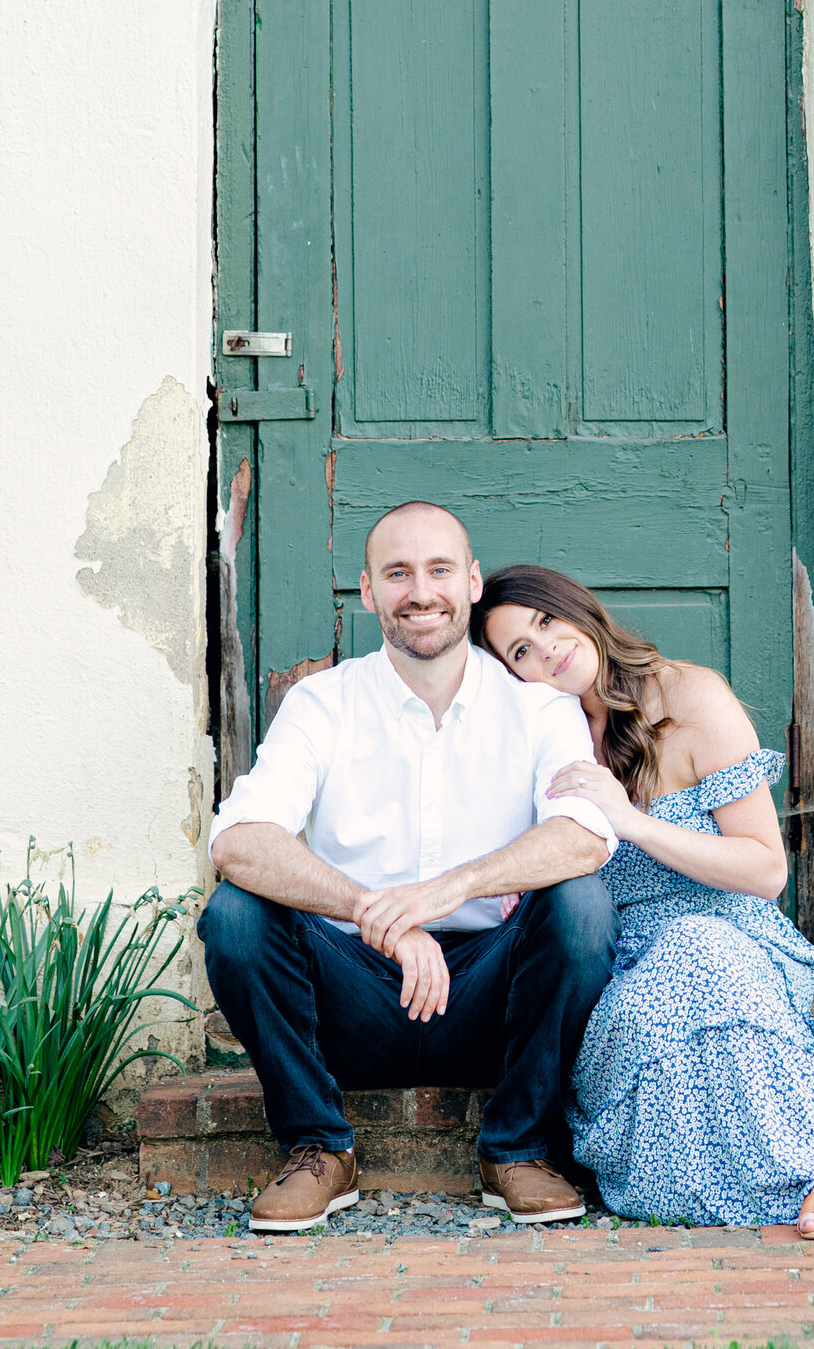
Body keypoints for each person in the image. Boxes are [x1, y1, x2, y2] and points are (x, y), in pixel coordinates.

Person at [472, 568, 814, 1239]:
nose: (546, 648)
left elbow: (765, 870)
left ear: (578, 611)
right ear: (512, 676)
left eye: (546, 622)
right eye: (520, 651)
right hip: (623, 972)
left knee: (700, 948)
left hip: (736, 942)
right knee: (673, 982)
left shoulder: (689, 697)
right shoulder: (545, 740)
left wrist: (634, 822)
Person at [200, 503, 617, 1234]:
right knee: (236, 914)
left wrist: (442, 892)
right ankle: (320, 1148)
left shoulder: (537, 708)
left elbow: (583, 834)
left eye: (438, 570)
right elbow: (239, 838)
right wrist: (380, 917)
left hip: (491, 996)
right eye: (398, 573)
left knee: (581, 904)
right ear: (368, 591)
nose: (420, 591)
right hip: (351, 994)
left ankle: (518, 1149)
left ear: (473, 582)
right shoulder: (323, 703)